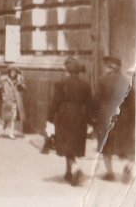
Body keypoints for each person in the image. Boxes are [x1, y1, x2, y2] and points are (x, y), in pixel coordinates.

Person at [48, 56, 93, 186]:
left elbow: (55, 102)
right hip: (80, 117)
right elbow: (89, 104)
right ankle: (68, 173)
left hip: (64, 116)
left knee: (66, 144)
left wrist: (49, 119)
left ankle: (75, 168)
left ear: (67, 69)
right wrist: (90, 122)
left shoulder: (61, 84)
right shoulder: (86, 85)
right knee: (73, 144)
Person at [94, 56, 135, 182]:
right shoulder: (127, 82)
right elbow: (132, 102)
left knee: (106, 145)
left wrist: (94, 118)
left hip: (106, 117)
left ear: (108, 67)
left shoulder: (102, 81)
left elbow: (96, 101)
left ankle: (110, 172)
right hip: (123, 117)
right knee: (125, 144)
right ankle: (128, 167)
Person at [0, 65, 25, 139]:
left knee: (13, 117)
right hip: (7, 100)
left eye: (15, 71)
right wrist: (3, 96)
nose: (13, 73)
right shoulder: (4, 79)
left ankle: (11, 133)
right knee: (7, 117)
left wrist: (20, 82)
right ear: (9, 72)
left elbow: (23, 88)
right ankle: (4, 128)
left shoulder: (20, 79)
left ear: (17, 73)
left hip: (15, 100)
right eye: (11, 71)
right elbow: (0, 88)